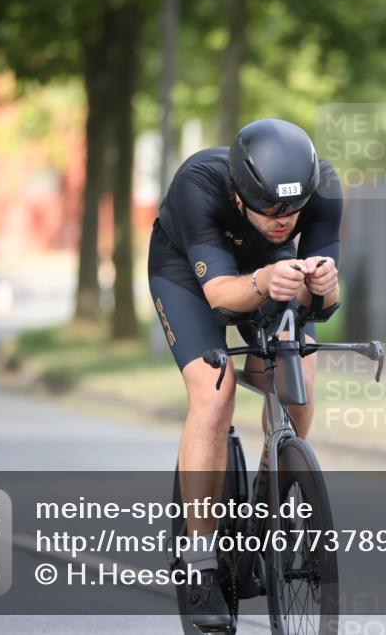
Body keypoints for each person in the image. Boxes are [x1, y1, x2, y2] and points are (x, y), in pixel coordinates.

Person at [148, 118, 341, 630]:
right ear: (240, 196)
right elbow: (220, 297)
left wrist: (323, 282)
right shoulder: (199, 184)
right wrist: (266, 280)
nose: (285, 219)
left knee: (297, 384)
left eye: (293, 209)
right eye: (271, 209)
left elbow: (323, 306)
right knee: (216, 391)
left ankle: (270, 495)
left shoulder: (321, 189)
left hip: (270, 272)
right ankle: (200, 562)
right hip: (188, 275)